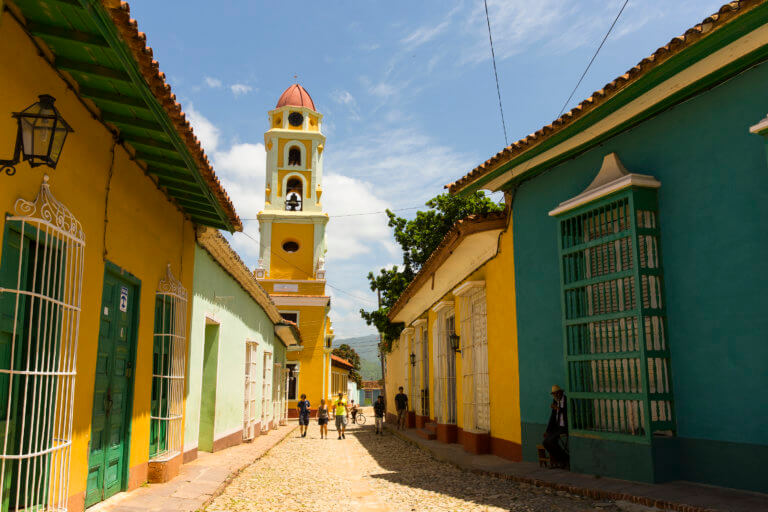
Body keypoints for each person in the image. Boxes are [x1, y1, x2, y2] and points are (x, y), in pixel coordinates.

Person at [543, 384, 569, 468]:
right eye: (554, 394)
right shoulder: (555, 402)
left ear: (561, 392)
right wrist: (547, 431)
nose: (556, 395)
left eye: (557, 393)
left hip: (564, 427)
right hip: (557, 427)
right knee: (546, 442)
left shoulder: (566, 401)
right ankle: (562, 459)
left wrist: (558, 408)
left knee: (551, 440)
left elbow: (568, 413)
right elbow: (552, 418)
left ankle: (564, 460)